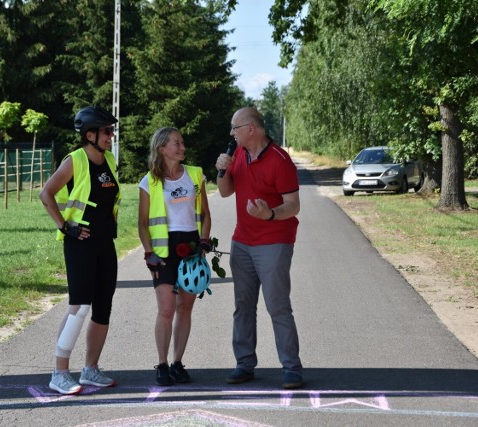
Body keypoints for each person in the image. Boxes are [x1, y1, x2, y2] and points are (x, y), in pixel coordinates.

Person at [215, 107, 304, 389]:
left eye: (234, 127)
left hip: (274, 241)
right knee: (243, 306)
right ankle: (244, 364)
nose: (231, 133)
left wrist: (269, 214)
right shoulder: (238, 153)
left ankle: (291, 368)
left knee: (277, 306)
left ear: (250, 129)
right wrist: (222, 171)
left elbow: (293, 205)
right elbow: (225, 191)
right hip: (242, 241)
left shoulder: (281, 160)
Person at [39, 106, 121, 395]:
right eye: (107, 131)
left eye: (112, 131)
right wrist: (65, 226)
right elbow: (45, 193)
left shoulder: (109, 160)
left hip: (105, 244)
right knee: (79, 307)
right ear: (90, 134)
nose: (112, 136)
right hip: (80, 244)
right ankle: (59, 372)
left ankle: (90, 370)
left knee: (103, 308)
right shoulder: (74, 161)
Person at [138, 127, 212, 386]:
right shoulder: (150, 181)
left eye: (182, 143)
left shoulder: (195, 174)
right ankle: (161, 364)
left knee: (185, 307)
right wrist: (149, 253)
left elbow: (205, 214)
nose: (182, 147)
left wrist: (204, 240)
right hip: (163, 250)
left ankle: (178, 362)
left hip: (191, 245)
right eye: (177, 143)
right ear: (162, 148)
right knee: (167, 309)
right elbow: (143, 222)